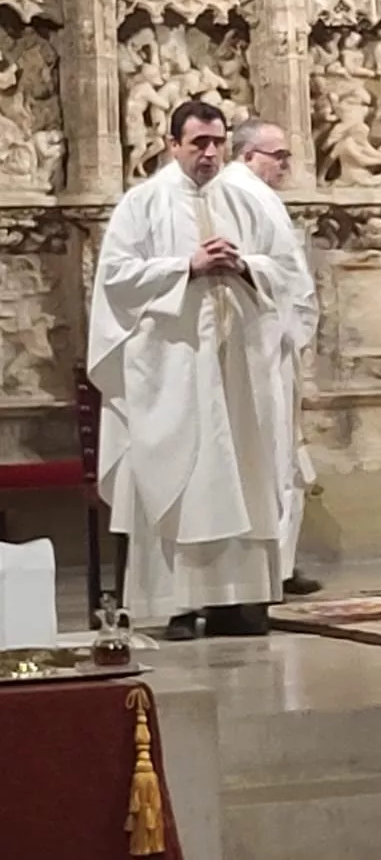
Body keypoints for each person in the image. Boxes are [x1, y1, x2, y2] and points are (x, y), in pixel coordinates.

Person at [87, 100, 309, 639]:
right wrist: (186, 266)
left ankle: (239, 601)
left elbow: (287, 271)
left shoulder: (247, 202)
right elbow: (115, 278)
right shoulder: (142, 205)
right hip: (174, 367)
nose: (209, 154)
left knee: (244, 473)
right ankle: (177, 604)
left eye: (217, 143)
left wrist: (245, 265)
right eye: (198, 144)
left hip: (239, 369)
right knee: (184, 477)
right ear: (173, 144)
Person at [217, 118, 324, 596]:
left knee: (283, 454)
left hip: (273, 339)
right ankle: (266, 565)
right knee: (267, 453)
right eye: (276, 155)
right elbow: (252, 265)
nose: (285, 164)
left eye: (286, 155)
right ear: (246, 155)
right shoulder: (237, 194)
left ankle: (278, 562)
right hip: (254, 343)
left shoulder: (259, 196)